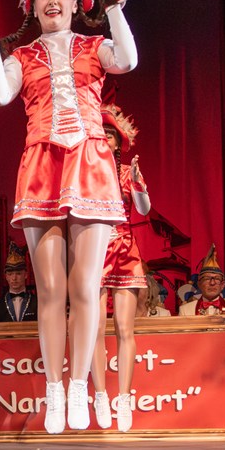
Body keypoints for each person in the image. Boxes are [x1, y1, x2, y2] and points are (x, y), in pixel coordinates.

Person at [0, 0, 138, 433]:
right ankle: (55, 389)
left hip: (90, 163)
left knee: (85, 287)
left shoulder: (93, 47)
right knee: (50, 289)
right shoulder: (23, 55)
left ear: (77, 2)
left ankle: (79, 384)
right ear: (32, 6)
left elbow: (127, 59)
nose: (53, 0)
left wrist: (114, 7)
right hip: (42, 165)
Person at [89, 104, 151, 431]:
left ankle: (124, 398)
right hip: (96, 250)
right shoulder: (84, 173)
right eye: (101, 133)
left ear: (118, 141)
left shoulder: (128, 172)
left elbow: (144, 209)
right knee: (95, 328)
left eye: (110, 134)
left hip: (125, 249)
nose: (105, 138)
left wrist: (138, 183)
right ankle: (101, 395)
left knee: (124, 329)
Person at [177, 246, 225, 316]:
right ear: (199, 284)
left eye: (217, 279)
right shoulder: (185, 310)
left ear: (222, 285)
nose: (212, 283)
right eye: (207, 278)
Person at [0, 243, 36, 322]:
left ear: (26, 275)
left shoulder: (36, 303)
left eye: (18, 273)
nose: (14, 278)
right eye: (10, 274)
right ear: (6, 276)